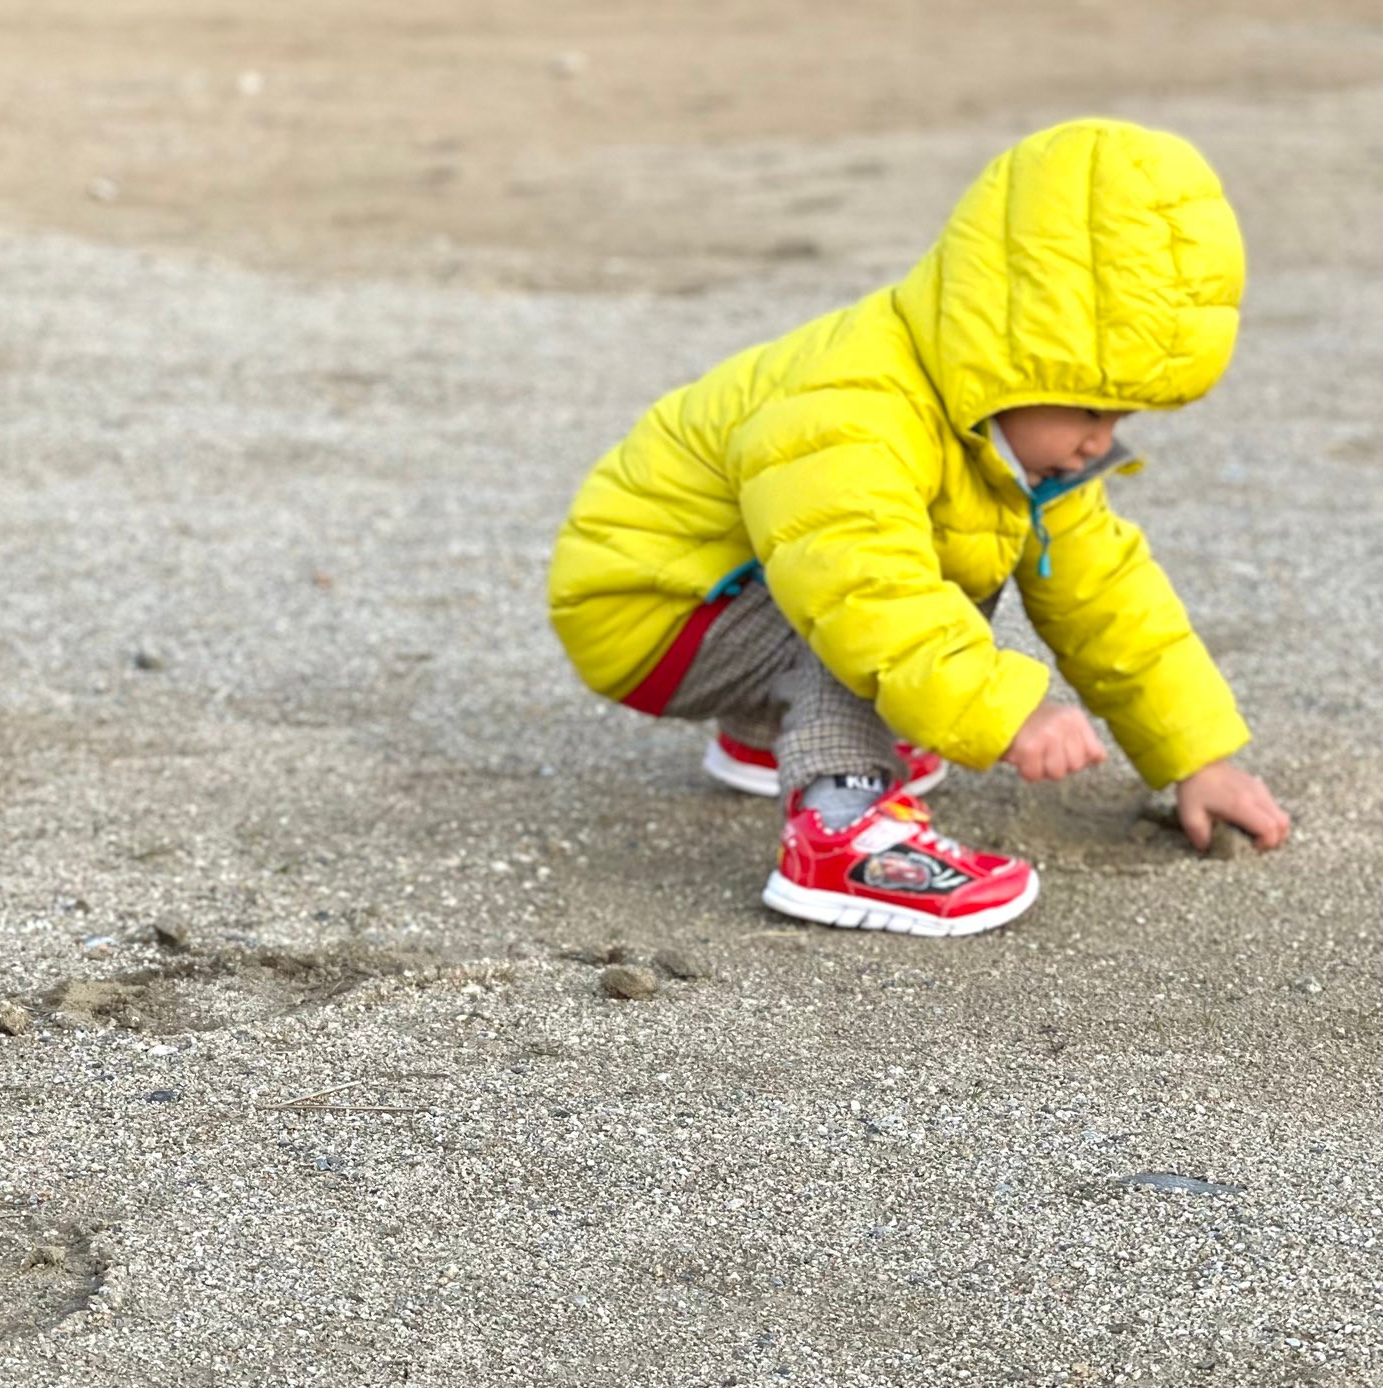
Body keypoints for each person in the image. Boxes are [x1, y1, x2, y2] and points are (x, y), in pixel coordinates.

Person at [547, 119, 1291, 936]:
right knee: (873, 586)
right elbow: (860, 586)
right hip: (652, 604)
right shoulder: (858, 401)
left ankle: (775, 732)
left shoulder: (1007, 438)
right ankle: (841, 830)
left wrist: (1196, 757)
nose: (1100, 441)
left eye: (1122, 416)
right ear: (1009, 349)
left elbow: (1105, 595)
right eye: (1088, 407)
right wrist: (1004, 709)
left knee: (944, 564)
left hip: (729, 589)